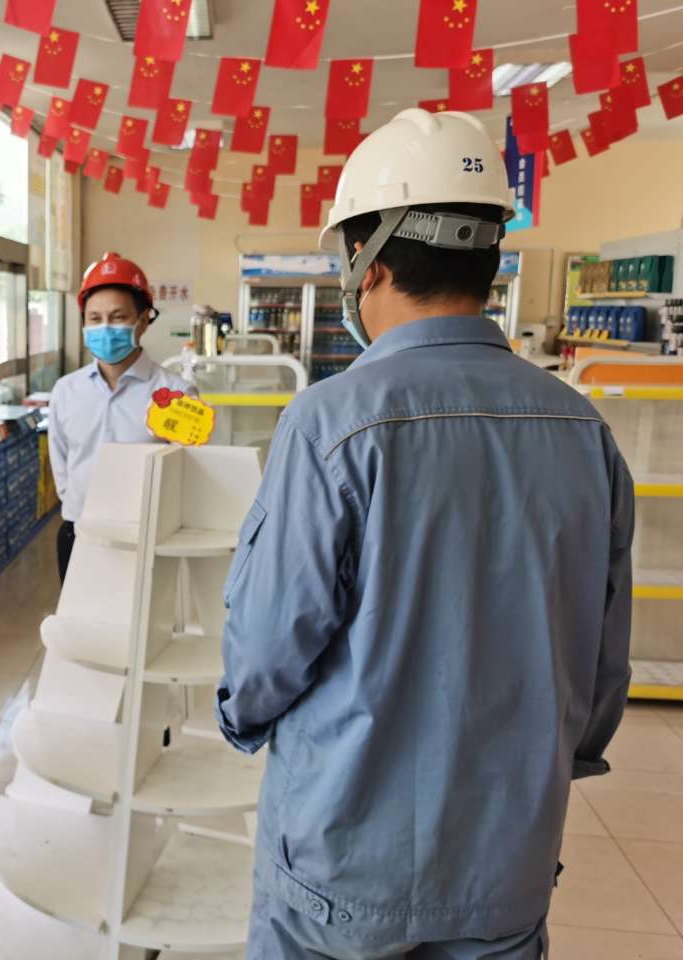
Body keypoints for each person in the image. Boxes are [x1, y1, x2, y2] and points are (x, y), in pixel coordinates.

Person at [217, 108, 634, 960]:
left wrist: (239, 718)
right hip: (504, 868)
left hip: (340, 869)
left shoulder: (331, 424)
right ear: (491, 258)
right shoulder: (583, 430)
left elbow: (266, 649)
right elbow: (600, 667)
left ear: (366, 263)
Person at [47, 252, 194, 582]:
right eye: (94, 318)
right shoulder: (66, 391)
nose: (105, 327)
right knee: (81, 615)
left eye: (117, 317)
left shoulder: (176, 394)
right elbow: (61, 465)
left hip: (149, 538)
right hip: (79, 534)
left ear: (143, 320)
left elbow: (188, 469)